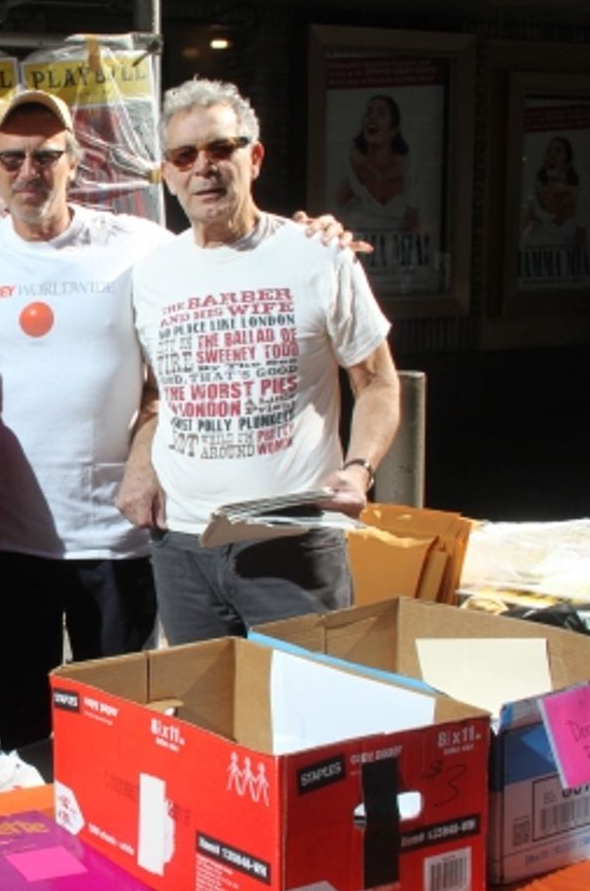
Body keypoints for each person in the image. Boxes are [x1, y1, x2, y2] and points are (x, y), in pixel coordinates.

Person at [0, 87, 359, 752]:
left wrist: (312, 237)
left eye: (46, 156)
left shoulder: (141, 247)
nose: (29, 171)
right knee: (22, 736)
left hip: (120, 542)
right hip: (10, 549)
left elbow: (223, 266)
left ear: (75, 162)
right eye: (12, 158)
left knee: (118, 738)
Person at [121, 77, 401, 645]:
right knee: (204, 702)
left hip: (291, 541)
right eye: (185, 155)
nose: (204, 167)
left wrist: (359, 469)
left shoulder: (318, 255)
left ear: (254, 157)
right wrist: (140, 462)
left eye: (221, 148)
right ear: (168, 173)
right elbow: (159, 391)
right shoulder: (150, 273)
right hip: (183, 545)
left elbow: (376, 382)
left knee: (306, 697)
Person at [335, 94, 419, 232]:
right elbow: (335, 209)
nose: (372, 117)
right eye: (368, 112)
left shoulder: (407, 169)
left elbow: (415, 223)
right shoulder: (352, 164)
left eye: (381, 113)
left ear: (393, 130)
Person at [522, 136, 586, 247]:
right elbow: (524, 235)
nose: (552, 155)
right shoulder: (535, 197)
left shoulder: (578, 197)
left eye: (558, 151)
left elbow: (583, 240)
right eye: (549, 151)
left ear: (567, 163)